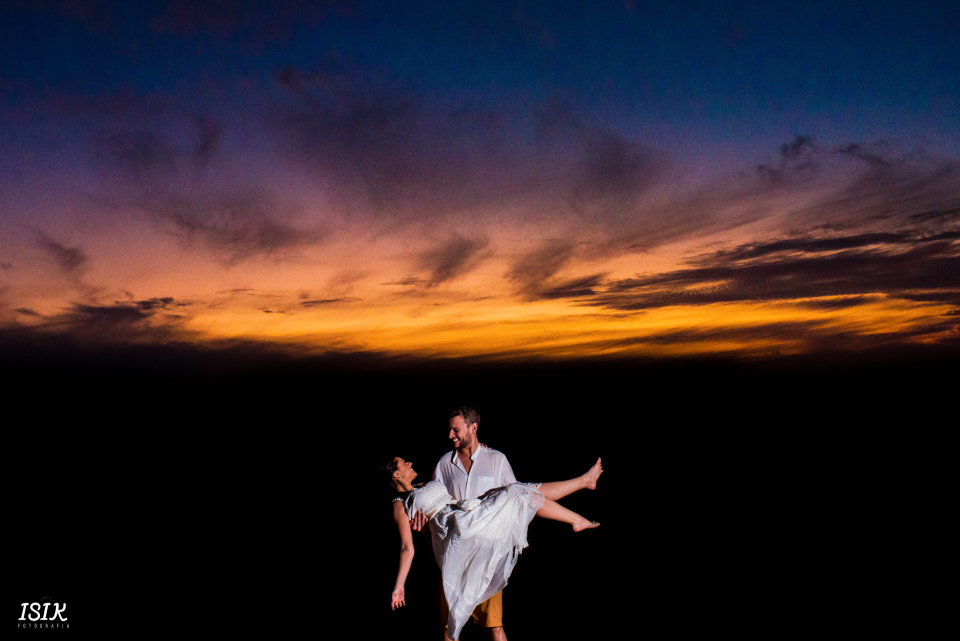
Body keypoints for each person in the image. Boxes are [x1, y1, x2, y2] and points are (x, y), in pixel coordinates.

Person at [414, 406, 601, 640]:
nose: (450, 435)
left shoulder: (496, 459)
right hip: (456, 553)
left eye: (456, 430)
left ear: (473, 428)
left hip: (486, 554)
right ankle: (582, 490)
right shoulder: (444, 464)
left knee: (494, 625)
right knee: (448, 628)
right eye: (450, 430)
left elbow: (519, 504)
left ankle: (581, 494)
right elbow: (436, 504)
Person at [385, 454, 603, 641]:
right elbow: (407, 548)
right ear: (395, 474)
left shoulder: (424, 484)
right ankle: (582, 488)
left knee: (520, 493)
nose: (410, 463)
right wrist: (399, 585)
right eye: (403, 462)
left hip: (466, 515)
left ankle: (579, 509)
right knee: (450, 627)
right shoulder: (400, 504)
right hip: (458, 534)